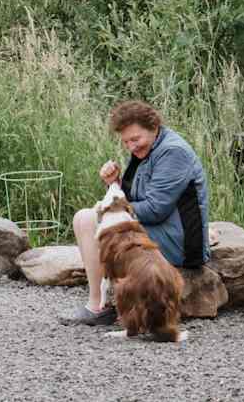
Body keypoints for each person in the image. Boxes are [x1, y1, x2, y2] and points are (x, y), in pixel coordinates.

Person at [60, 99, 210, 325]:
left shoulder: (173, 152)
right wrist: (114, 183)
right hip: (157, 228)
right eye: (126, 142)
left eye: (135, 139)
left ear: (153, 127)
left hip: (181, 242)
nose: (131, 147)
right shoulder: (148, 148)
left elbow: (154, 209)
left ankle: (98, 305)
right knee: (86, 219)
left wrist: (106, 210)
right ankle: (102, 301)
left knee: (89, 219)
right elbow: (135, 198)